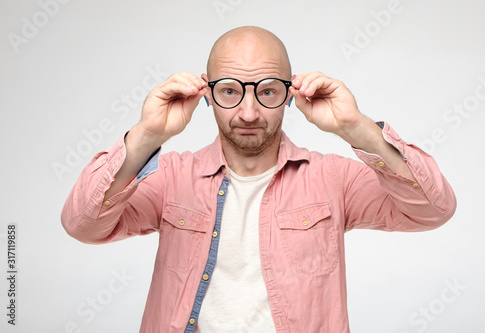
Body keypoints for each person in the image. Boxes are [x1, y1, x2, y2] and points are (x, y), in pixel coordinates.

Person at [61, 26, 456, 333]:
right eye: (230, 91)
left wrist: (356, 128)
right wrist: (148, 134)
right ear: (207, 91)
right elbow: (82, 224)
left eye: (267, 91)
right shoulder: (171, 178)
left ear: (289, 92)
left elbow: (434, 209)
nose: (249, 113)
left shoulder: (332, 178)